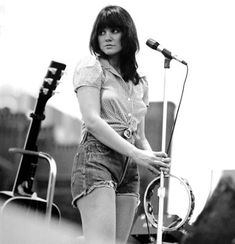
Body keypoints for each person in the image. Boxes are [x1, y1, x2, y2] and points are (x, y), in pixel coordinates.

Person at [71, 5, 170, 244]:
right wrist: (137, 154)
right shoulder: (91, 66)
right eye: (102, 31)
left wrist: (154, 159)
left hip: (128, 168)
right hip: (97, 159)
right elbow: (92, 121)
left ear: (127, 34)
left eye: (114, 30)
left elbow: (140, 135)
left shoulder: (140, 83)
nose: (107, 36)